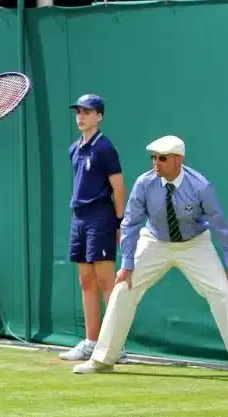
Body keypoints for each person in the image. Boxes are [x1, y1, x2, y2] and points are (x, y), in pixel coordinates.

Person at [74, 135, 228, 379]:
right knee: (123, 289)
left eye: (162, 158)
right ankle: (103, 358)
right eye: (153, 158)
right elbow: (130, 224)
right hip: (155, 241)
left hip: (194, 244)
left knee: (223, 294)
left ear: (178, 160)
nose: (155, 163)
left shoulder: (201, 186)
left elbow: (220, 224)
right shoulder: (144, 183)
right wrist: (127, 264)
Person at [59, 94, 128, 363]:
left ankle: (116, 346)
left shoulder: (105, 148)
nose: (81, 116)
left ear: (99, 116)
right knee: (86, 281)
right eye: (78, 111)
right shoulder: (74, 149)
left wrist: (119, 223)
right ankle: (91, 342)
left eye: (87, 112)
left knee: (106, 282)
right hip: (79, 218)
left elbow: (119, 188)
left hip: (101, 217)